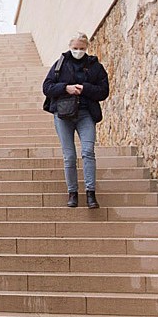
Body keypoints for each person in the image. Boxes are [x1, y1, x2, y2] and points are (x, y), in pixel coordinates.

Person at [42, 33, 111, 209]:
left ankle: (90, 193)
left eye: (81, 48)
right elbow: (47, 87)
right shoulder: (60, 64)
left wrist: (85, 88)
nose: (78, 51)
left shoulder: (95, 66)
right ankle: (72, 193)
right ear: (70, 46)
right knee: (69, 156)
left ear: (86, 47)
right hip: (63, 114)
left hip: (86, 113)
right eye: (75, 48)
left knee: (88, 151)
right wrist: (66, 88)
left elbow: (103, 91)